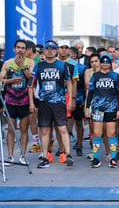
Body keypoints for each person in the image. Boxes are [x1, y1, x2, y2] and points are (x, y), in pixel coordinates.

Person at [28, 40, 74, 168]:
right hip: (43, 102)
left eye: (52, 48)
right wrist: (31, 102)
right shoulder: (38, 66)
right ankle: (45, 156)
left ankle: (68, 154)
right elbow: (30, 84)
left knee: (62, 128)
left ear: (56, 50)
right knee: (44, 129)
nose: (49, 51)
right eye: (47, 48)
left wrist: (70, 100)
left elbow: (69, 82)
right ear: (43, 51)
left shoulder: (62, 65)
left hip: (59, 101)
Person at [85, 53, 119, 168]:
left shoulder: (115, 76)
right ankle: (96, 158)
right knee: (97, 133)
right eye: (103, 61)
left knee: (111, 133)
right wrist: (87, 108)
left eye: (107, 61)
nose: (105, 63)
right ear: (100, 63)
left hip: (111, 108)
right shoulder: (95, 76)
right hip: (97, 108)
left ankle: (113, 158)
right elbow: (90, 93)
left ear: (110, 63)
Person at [0, 40, 35, 164]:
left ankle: (22, 155)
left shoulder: (30, 62)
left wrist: (22, 66)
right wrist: (12, 80)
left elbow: (31, 79)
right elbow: (1, 80)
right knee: (11, 128)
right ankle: (10, 156)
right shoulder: (7, 63)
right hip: (10, 100)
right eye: (18, 47)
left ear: (26, 50)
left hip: (25, 100)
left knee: (24, 128)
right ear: (14, 49)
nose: (20, 50)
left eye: (23, 48)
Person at [69, 46, 87, 157]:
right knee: (63, 124)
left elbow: (85, 86)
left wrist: (85, 100)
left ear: (74, 55)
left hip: (79, 100)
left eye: (69, 53)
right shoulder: (62, 66)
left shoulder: (82, 68)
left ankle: (79, 146)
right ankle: (62, 148)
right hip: (65, 99)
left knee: (79, 123)